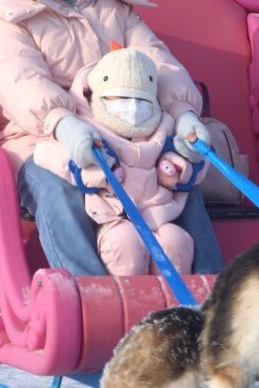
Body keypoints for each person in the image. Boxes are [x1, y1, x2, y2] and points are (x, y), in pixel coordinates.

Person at [0, 0, 223, 276]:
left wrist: (184, 112)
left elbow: (155, 60)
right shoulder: (10, 18)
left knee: (177, 172)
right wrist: (63, 123)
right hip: (40, 139)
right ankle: (87, 296)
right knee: (59, 187)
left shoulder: (114, 7)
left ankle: (211, 292)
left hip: (128, 133)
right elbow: (19, 81)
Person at [32, 46, 202, 277]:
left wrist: (184, 127)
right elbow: (22, 81)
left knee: (176, 241)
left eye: (139, 104)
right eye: (123, 102)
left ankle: (200, 298)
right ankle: (97, 297)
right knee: (124, 245)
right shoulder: (90, 125)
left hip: (159, 212)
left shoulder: (162, 125)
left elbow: (161, 62)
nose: (132, 110)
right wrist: (66, 128)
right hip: (110, 210)